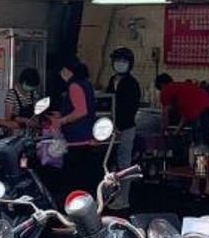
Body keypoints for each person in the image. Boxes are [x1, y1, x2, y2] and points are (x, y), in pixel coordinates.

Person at [50, 59, 102, 200]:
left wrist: (61, 120)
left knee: (73, 183)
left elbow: (81, 111)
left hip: (77, 140)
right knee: (84, 182)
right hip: (86, 138)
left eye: (62, 71)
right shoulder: (86, 84)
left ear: (67, 71)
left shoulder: (74, 86)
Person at [106, 47, 141, 211]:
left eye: (124, 61)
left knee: (124, 164)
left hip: (125, 129)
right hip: (111, 130)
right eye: (117, 61)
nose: (120, 64)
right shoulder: (112, 80)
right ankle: (110, 196)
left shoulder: (132, 83)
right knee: (111, 163)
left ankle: (123, 199)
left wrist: (119, 127)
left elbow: (131, 108)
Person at [155, 73, 209, 144]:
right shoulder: (182, 88)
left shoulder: (166, 89)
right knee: (204, 142)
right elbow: (185, 116)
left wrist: (163, 131)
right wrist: (176, 132)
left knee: (200, 143)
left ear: (162, 85)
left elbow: (165, 113)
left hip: (200, 113)